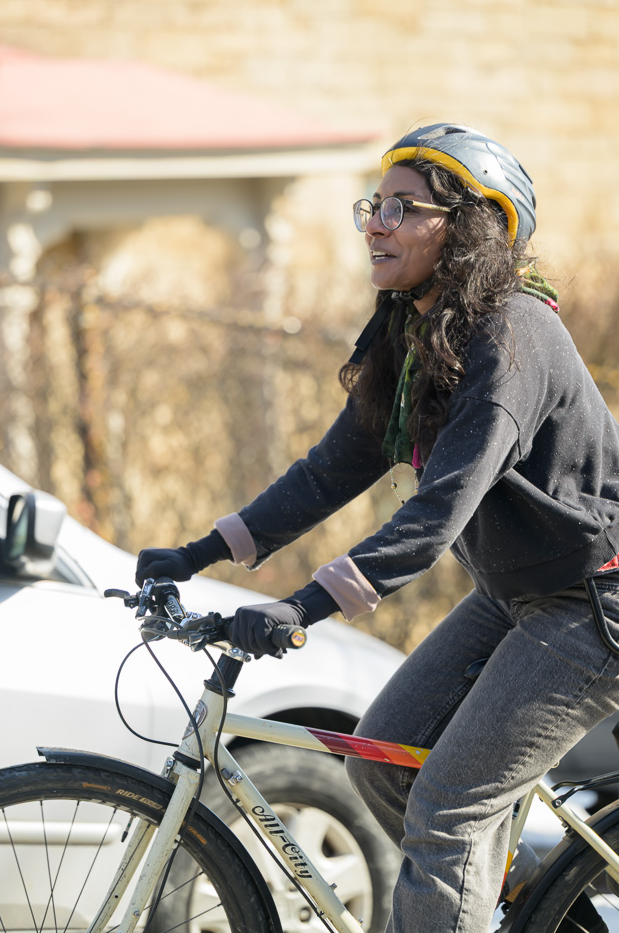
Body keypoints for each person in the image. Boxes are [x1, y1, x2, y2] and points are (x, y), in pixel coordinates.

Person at [135, 123, 619, 933]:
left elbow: (435, 515)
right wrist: (202, 552)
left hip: (592, 602)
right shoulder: (416, 331)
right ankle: (539, 909)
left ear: (467, 228)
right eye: (375, 205)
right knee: (384, 764)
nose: (376, 224)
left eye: (403, 208)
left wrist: (301, 608)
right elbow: (334, 467)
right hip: (514, 592)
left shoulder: (512, 337)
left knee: (449, 807)